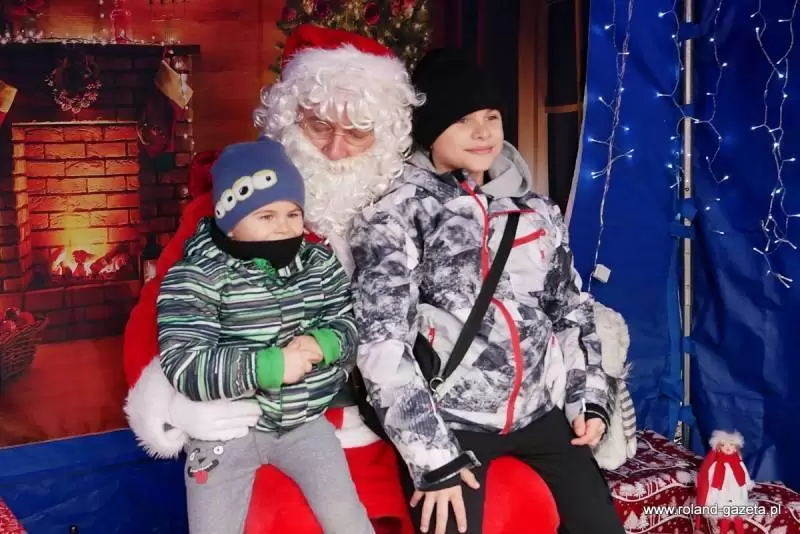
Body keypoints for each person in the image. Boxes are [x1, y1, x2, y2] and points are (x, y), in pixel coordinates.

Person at [123, 25, 563, 534]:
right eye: (318, 126)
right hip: (270, 420)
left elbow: (496, 298)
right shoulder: (232, 210)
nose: (335, 150)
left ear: (387, 136)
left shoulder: (416, 209)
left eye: (357, 132)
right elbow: (163, 310)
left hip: (399, 423)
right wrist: (176, 402)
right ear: (288, 121)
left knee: (512, 503)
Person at [349, 48, 626, 534]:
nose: (482, 132)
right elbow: (382, 343)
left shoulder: (536, 211)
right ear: (430, 127)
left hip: (539, 412)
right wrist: (431, 457)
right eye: (462, 120)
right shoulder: (396, 214)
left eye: (491, 116)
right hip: (452, 420)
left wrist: (589, 401)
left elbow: (569, 310)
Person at [155, 137, 373, 534]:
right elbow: (184, 361)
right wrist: (267, 367)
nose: (284, 227)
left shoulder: (318, 263)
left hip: (304, 422)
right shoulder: (196, 276)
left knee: (347, 517)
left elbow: (349, 324)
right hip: (228, 428)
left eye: (293, 213)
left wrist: (325, 343)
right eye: (266, 216)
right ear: (229, 220)